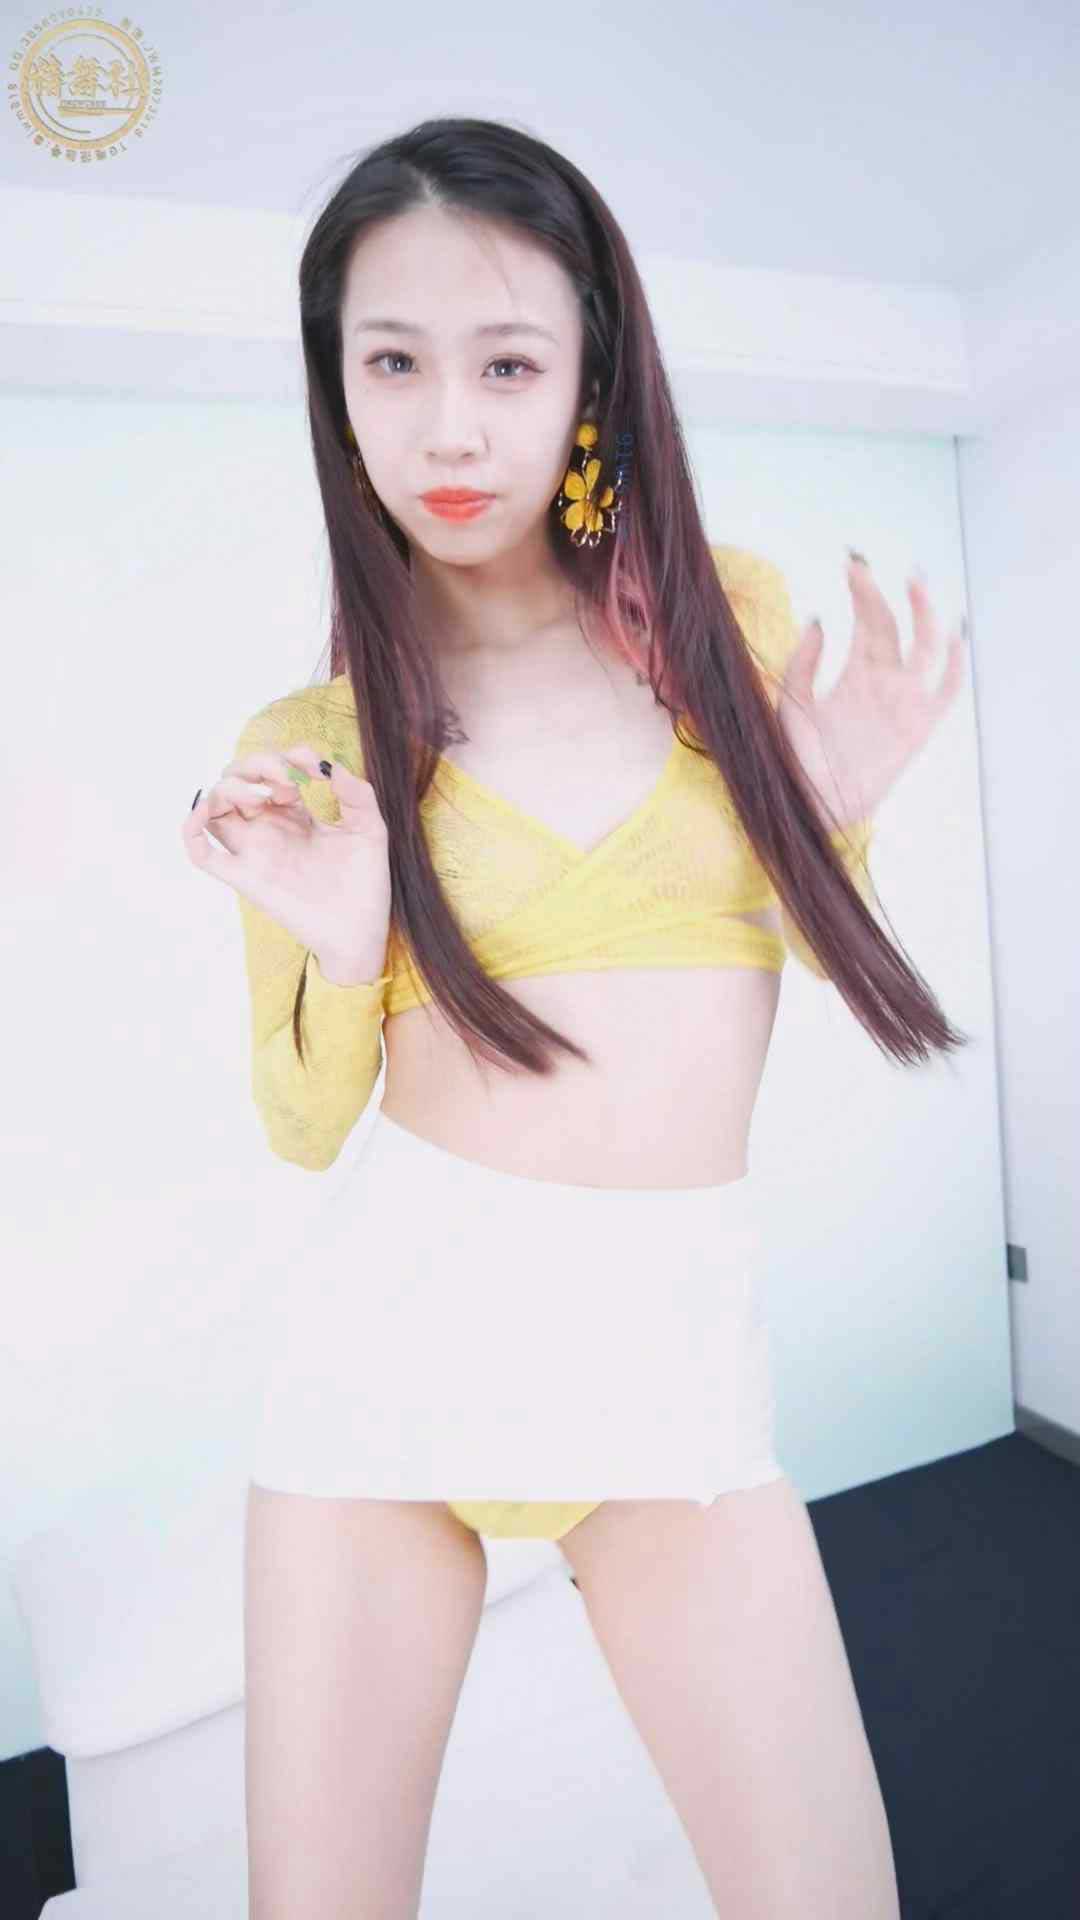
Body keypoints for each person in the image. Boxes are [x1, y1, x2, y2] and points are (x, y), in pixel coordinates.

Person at [181, 117, 967, 1920]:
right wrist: (345, 938)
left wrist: (833, 816)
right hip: (386, 1367)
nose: (450, 431)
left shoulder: (721, 631)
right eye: (394, 363)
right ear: (338, 392)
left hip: (669, 1372)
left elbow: (773, 960)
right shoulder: (313, 737)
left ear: (592, 380)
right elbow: (304, 1124)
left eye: (509, 365)